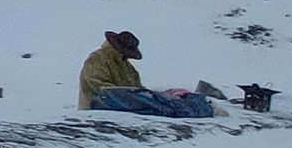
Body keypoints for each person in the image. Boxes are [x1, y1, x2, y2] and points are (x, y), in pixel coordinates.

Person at [78, 30, 215, 117]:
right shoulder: (97, 59)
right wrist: (131, 94)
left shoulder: (126, 66)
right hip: (97, 104)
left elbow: (137, 87)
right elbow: (99, 87)